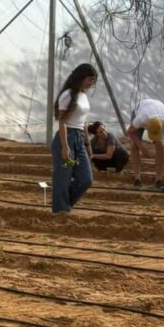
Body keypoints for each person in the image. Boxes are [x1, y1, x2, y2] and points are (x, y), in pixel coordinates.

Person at [50, 62, 97, 214]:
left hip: (79, 138)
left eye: (93, 81)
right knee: (63, 178)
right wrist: (65, 146)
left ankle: (62, 204)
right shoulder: (68, 95)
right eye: (90, 79)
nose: (91, 83)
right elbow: (62, 121)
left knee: (86, 179)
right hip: (67, 137)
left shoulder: (83, 96)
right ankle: (61, 211)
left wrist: (88, 143)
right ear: (81, 77)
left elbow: (83, 121)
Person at [125, 99, 164, 190]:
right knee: (134, 145)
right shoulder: (140, 119)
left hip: (159, 109)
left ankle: (158, 179)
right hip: (142, 108)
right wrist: (142, 147)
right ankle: (137, 178)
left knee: (160, 146)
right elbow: (130, 132)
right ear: (147, 126)